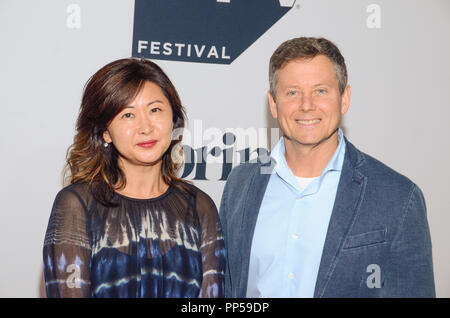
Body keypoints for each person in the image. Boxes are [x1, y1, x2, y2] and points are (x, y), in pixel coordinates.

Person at [219, 37, 435, 297]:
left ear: (344, 98)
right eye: (292, 92)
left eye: (321, 91)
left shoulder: (398, 197)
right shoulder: (241, 184)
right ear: (274, 104)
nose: (307, 105)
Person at [43, 58, 226, 298]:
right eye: (128, 115)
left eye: (155, 110)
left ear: (174, 120)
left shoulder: (199, 208)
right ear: (105, 132)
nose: (145, 127)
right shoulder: (76, 205)